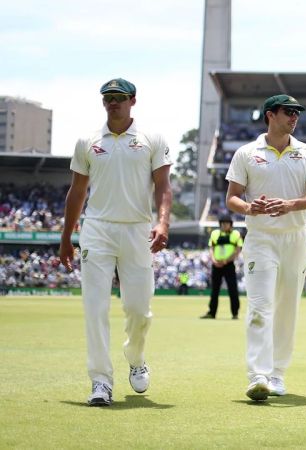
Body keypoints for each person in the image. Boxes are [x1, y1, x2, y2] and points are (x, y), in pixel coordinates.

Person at [59, 77, 173, 406]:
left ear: (133, 101)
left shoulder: (152, 138)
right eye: (108, 97)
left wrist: (162, 222)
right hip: (97, 229)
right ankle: (100, 381)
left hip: (137, 229)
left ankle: (135, 358)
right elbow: (77, 191)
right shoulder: (88, 140)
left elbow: (163, 186)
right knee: (95, 307)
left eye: (119, 97)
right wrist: (66, 236)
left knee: (138, 310)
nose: (113, 102)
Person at [225, 94, 306, 401]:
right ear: (270, 115)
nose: (294, 117)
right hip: (260, 238)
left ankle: (277, 374)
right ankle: (258, 374)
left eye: (297, 112)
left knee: (287, 308)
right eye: (288, 112)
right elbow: (232, 197)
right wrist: (249, 208)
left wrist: (290, 205)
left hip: (295, 237)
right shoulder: (246, 153)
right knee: (260, 306)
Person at [200, 214, 243, 319]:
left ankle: (235, 313)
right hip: (216, 264)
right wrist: (214, 260)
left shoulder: (236, 234)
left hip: (229, 265)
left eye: (227, 223)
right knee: (214, 290)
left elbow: (237, 250)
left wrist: (227, 260)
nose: (224, 225)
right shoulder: (215, 234)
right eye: (223, 223)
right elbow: (211, 248)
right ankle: (212, 312)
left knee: (232, 289)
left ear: (230, 224)